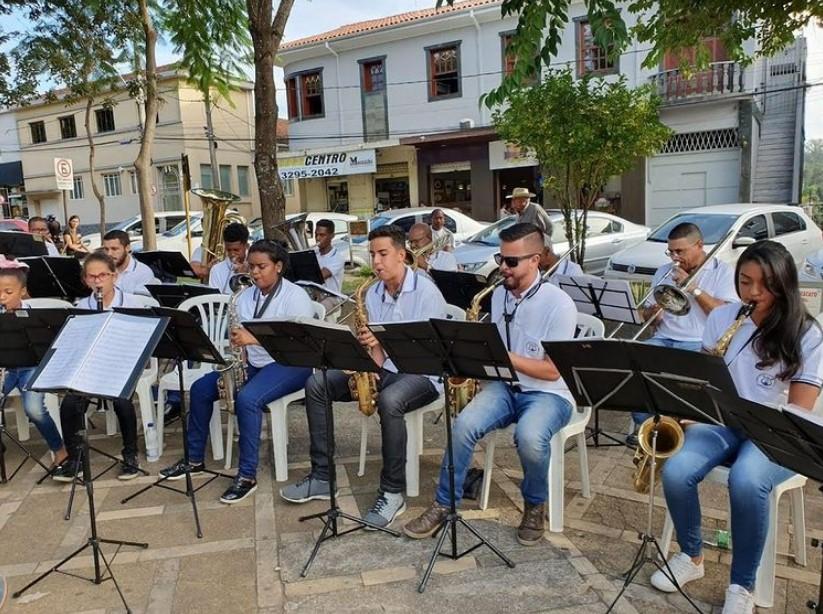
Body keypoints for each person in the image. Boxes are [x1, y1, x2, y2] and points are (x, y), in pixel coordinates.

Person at [650, 240, 823, 614]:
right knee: (676, 470)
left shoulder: (806, 333)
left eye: (766, 284)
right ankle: (691, 557)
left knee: (745, 481)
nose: (754, 293)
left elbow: (799, 410)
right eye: (745, 282)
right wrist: (693, 406)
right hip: (722, 421)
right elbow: (702, 376)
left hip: (776, 430)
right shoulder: (722, 317)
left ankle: (741, 585)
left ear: (785, 284)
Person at [404, 223, 578, 545]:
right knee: (463, 425)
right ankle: (444, 503)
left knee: (529, 437)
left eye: (511, 262)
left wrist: (505, 357)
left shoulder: (560, 304)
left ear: (535, 260)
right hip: (505, 387)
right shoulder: (499, 296)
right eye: (501, 258)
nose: (502, 267)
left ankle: (535, 504)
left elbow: (553, 372)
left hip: (548, 394)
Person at [280, 224, 446, 528]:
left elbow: (432, 353)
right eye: (372, 254)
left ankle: (393, 492)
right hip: (386, 370)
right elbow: (377, 357)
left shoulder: (426, 293)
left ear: (402, 255)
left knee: (390, 399)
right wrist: (363, 357)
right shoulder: (371, 294)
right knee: (317, 383)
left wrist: (384, 344)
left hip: (423, 374)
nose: (376, 262)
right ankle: (321, 475)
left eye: (383, 254)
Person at [161, 240, 314, 503]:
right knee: (199, 389)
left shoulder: (295, 296)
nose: (254, 273)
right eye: (252, 267)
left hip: (291, 364)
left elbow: (300, 341)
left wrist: (252, 340)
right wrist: (237, 357)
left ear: (278, 267)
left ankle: (247, 475)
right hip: (254, 364)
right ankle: (194, 458)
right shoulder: (244, 296)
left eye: (262, 267)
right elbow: (240, 336)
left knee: (248, 399)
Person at [629, 222, 737, 441]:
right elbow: (649, 319)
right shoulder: (663, 271)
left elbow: (725, 317)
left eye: (680, 251)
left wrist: (692, 288)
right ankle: (650, 433)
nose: (674, 258)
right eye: (671, 251)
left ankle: (675, 433)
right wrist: (653, 312)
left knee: (678, 384)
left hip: (698, 343)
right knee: (633, 371)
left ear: (699, 245)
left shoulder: (722, 272)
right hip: (664, 339)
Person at [52, 252, 146, 482]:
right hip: (92, 367)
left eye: (102, 275)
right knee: (70, 404)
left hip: (123, 364)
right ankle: (76, 459)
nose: (97, 281)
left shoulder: (133, 303)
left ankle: (130, 454)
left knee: (123, 402)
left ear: (114, 276)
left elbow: (141, 339)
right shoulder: (82, 306)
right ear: (85, 280)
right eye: (91, 277)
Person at [0, 258, 69, 470]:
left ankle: (59, 449)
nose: (1, 297)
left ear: (22, 291)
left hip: (32, 368)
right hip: (6, 369)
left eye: (8, 292)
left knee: (34, 408)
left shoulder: (35, 316)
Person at [102, 229, 157, 296]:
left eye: (114, 249)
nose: (109, 254)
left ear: (127, 248)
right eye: (106, 249)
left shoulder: (142, 272)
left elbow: (141, 303)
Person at [313, 219, 346, 313]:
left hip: (331, 297)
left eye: (322, 235)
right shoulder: (314, 254)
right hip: (315, 296)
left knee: (316, 312)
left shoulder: (337, 257)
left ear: (332, 236)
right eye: (316, 235)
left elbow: (320, 276)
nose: (318, 238)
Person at [208, 222, 250, 294]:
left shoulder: (255, 267)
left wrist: (245, 275)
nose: (232, 254)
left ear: (246, 246)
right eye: (228, 250)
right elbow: (214, 299)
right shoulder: (216, 270)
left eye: (236, 250)